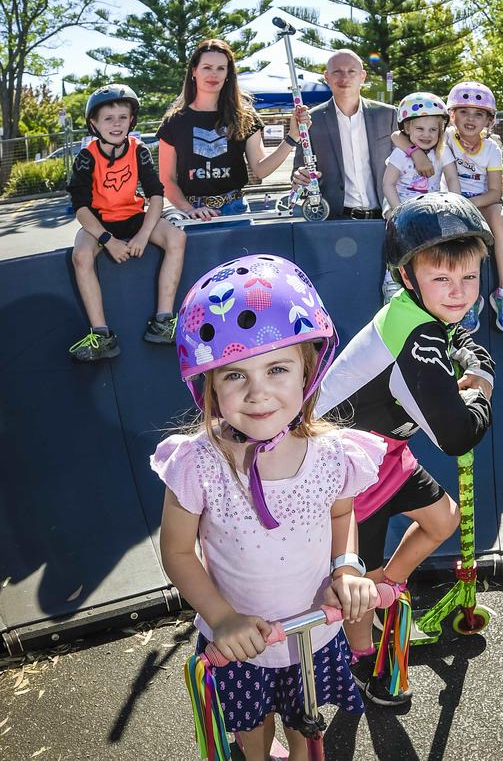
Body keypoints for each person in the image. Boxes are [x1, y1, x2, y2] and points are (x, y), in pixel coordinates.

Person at [152, 254, 387, 761]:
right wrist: (222, 617)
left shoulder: (331, 453)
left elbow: (341, 516)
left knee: (308, 726)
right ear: (208, 384)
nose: (258, 393)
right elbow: (178, 552)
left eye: (277, 368)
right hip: (239, 642)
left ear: (308, 368)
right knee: (251, 735)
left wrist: (345, 569)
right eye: (234, 375)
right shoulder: (199, 464)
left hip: (313, 632)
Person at [315, 193, 495, 707]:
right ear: (409, 279)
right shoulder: (414, 337)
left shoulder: (417, 314)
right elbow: (457, 436)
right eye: (442, 280)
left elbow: (448, 339)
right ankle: (364, 662)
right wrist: (481, 384)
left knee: (442, 520)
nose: (458, 293)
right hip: (344, 467)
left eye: (468, 278)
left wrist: (460, 350)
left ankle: (388, 587)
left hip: (385, 453)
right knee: (355, 586)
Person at [67, 84, 186, 363]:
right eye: (108, 118)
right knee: (81, 255)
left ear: (132, 119)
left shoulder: (138, 150)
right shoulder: (86, 157)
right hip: (100, 223)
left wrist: (144, 235)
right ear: (94, 123)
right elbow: (81, 209)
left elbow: (156, 194)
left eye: (123, 117)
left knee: (177, 238)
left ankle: (163, 321)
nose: (117, 124)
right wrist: (109, 241)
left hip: (134, 218)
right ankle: (102, 335)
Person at [395, 81, 503, 334]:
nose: (470, 119)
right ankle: (468, 300)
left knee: (502, 219)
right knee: (459, 237)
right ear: (452, 115)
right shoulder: (445, 137)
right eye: (464, 112)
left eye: (479, 113)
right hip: (446, 204)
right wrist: (416, 153)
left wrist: (466, 205)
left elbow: (496, 192)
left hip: (479, 204)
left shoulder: (491, 149)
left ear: (489, 120)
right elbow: (397, 135)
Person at [157, 38, 310, 221]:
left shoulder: (244, 116)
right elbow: (166, 180)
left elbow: (261, 169)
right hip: (193, 217)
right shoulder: (174, 122)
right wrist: (188, 209)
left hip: (236, 212)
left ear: (228, 74)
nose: (214, 74)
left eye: (221, 68)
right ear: (194, 71)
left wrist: (292, 137)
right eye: (207, 67)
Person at [292, 49, 397, 220]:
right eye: (337, 72)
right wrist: (300, 178)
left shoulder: (388, 115)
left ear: (362, 76)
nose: (344, 78)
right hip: (335, 220)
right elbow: (298, 174)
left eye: (351, 71)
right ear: (326, 76)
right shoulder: (311, 120)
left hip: (386, 218)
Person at [381, 92, 461, 302]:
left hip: (430, 205)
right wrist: (397, 211)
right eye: (420, 129)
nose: (427, 134)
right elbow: (388, 184)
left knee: (434, 242)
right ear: (407, 129)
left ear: (441, 130)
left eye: (433, 129)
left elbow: (452, 179)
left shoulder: (442, 152)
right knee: (397, 237)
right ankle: (392, 279)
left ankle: (432, 283)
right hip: (399, 203)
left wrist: (455, 204)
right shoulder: (401, 154)